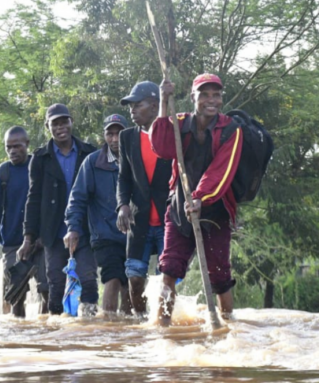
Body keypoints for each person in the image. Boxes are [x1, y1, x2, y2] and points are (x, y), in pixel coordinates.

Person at [149, 73, 243, 326]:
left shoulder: (231, 130)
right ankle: (162, 329)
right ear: (193, 97)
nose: (211, 100)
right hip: (180, 209)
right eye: (204, 95)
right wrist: (163, 99)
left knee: (220, 277)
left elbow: (221, 172)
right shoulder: (179, 124)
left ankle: (228, 327)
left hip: (215, 213)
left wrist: (200, 198)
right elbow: (160, 147)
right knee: (168, 269)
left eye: (216, 95)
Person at [19, 103, 99, 317]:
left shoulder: (89, 153)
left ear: (72, 122)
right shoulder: (40, 158)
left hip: (84, 230)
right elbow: (33, 198)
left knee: (88, 279)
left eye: (64, 121)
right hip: (53, 233)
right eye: (55, 123)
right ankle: (58, 332)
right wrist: (29, 237)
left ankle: (93, 330)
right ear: (48, 126)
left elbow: (99, 194)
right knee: (55, 284)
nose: (61, 127)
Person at [65, 114, 133, 318]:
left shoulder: (136, 158)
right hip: (105, 235)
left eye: (119, 133)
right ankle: (109, 328)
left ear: (126, 134)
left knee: (132, 282)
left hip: (134, 234)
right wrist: (73, 228)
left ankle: (131, 329)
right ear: (104, 136)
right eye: (109, 134)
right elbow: (77, 198)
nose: (114, 139)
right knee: (112, 277)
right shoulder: (93, 163)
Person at [0, 126, 48, 318]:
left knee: (48, 291)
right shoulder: (1, 176)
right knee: (16, 297)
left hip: (41, 244)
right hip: (13, 245)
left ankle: (47, 337)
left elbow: (54, 205)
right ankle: (19, 339)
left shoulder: (42, 167)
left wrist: (46, 235)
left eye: (17, 146)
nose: (13, 151)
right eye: (8, 147)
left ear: (27, 144)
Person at [117, 81, 173, 318]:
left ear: (154, 106)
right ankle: (141, 324)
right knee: (135, 279)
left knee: (167, 281)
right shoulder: (127, 137)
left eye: (137, 105)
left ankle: (164, 326)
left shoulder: (173, 134)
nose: (132, 110)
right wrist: (122, 205)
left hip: (167, 219)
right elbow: (124, 178)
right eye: (130, 106)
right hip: (139, 221)